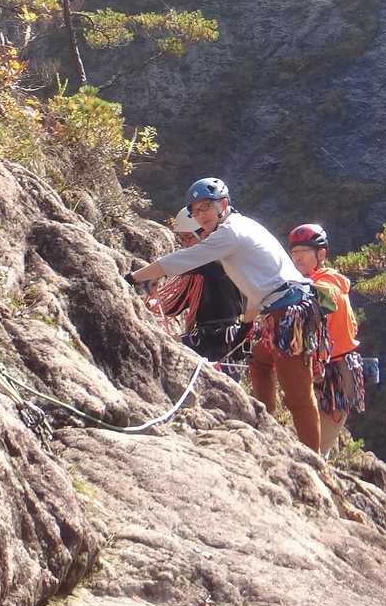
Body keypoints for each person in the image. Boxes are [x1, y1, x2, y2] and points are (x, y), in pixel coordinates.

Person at [124, 178, 328, 452]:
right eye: (195, 211)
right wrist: (246, 325)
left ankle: (314, 462)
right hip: (284, 306)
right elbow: (261, 284)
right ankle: (267, 427)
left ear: (223, 204)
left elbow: (181, 260)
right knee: (259, 362)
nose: (201, 215)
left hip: (288, 312)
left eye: (206, 207)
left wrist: (133, 277)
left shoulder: (229, 233)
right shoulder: (243, 226)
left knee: (298, 397)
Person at [287, 223, 365, 455]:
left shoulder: (324, 284)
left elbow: (326, 299)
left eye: (304, 251)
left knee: (316, 448)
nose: (297, 257)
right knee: (312, 443)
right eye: (294, 252)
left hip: (336, 372)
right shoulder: (314, 282)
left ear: (321, 254)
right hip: (323, 368)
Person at [143, 208, 246, 363]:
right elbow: (178, 303)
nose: (185, 244)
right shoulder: (205, 268)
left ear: (205, 234)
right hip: (212, 338)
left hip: (219, 340)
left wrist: (148, 276)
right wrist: (153, 304)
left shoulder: (217, 263)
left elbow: (178, 265)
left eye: (188, 237)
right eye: (182, 239)